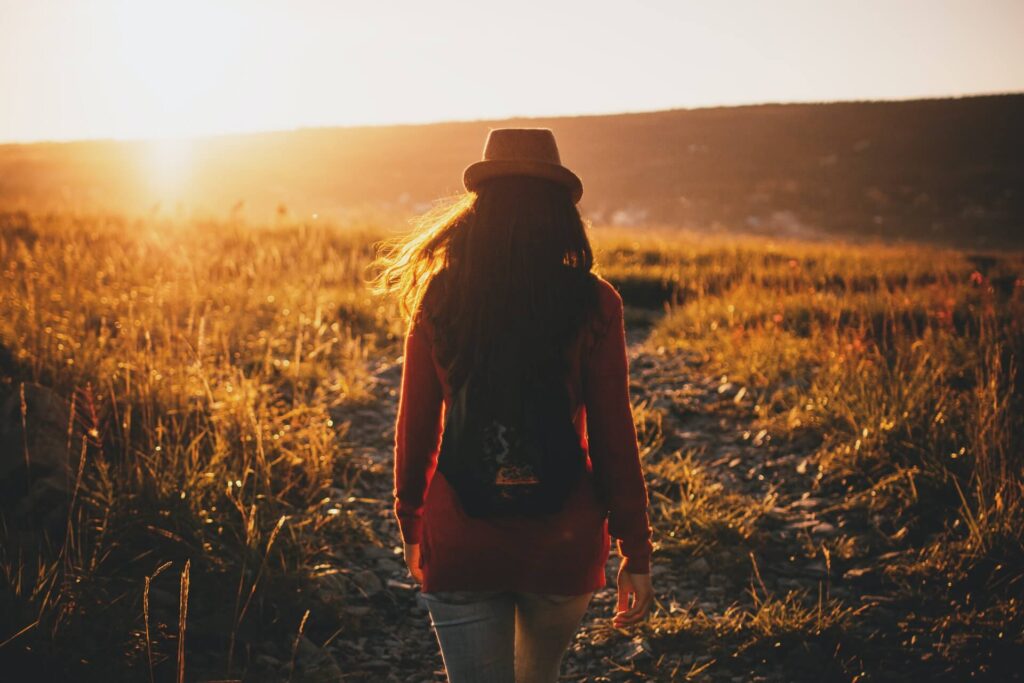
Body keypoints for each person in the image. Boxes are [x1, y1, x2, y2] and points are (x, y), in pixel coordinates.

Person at [375, 128, 653, 682]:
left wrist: (412, 522)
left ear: (479, 209)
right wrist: (635, 551)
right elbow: (613, 436)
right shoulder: (594, 300)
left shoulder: (441, 296)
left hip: (460, 538)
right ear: (559, 212)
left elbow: (417, 427)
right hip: (562, 543)